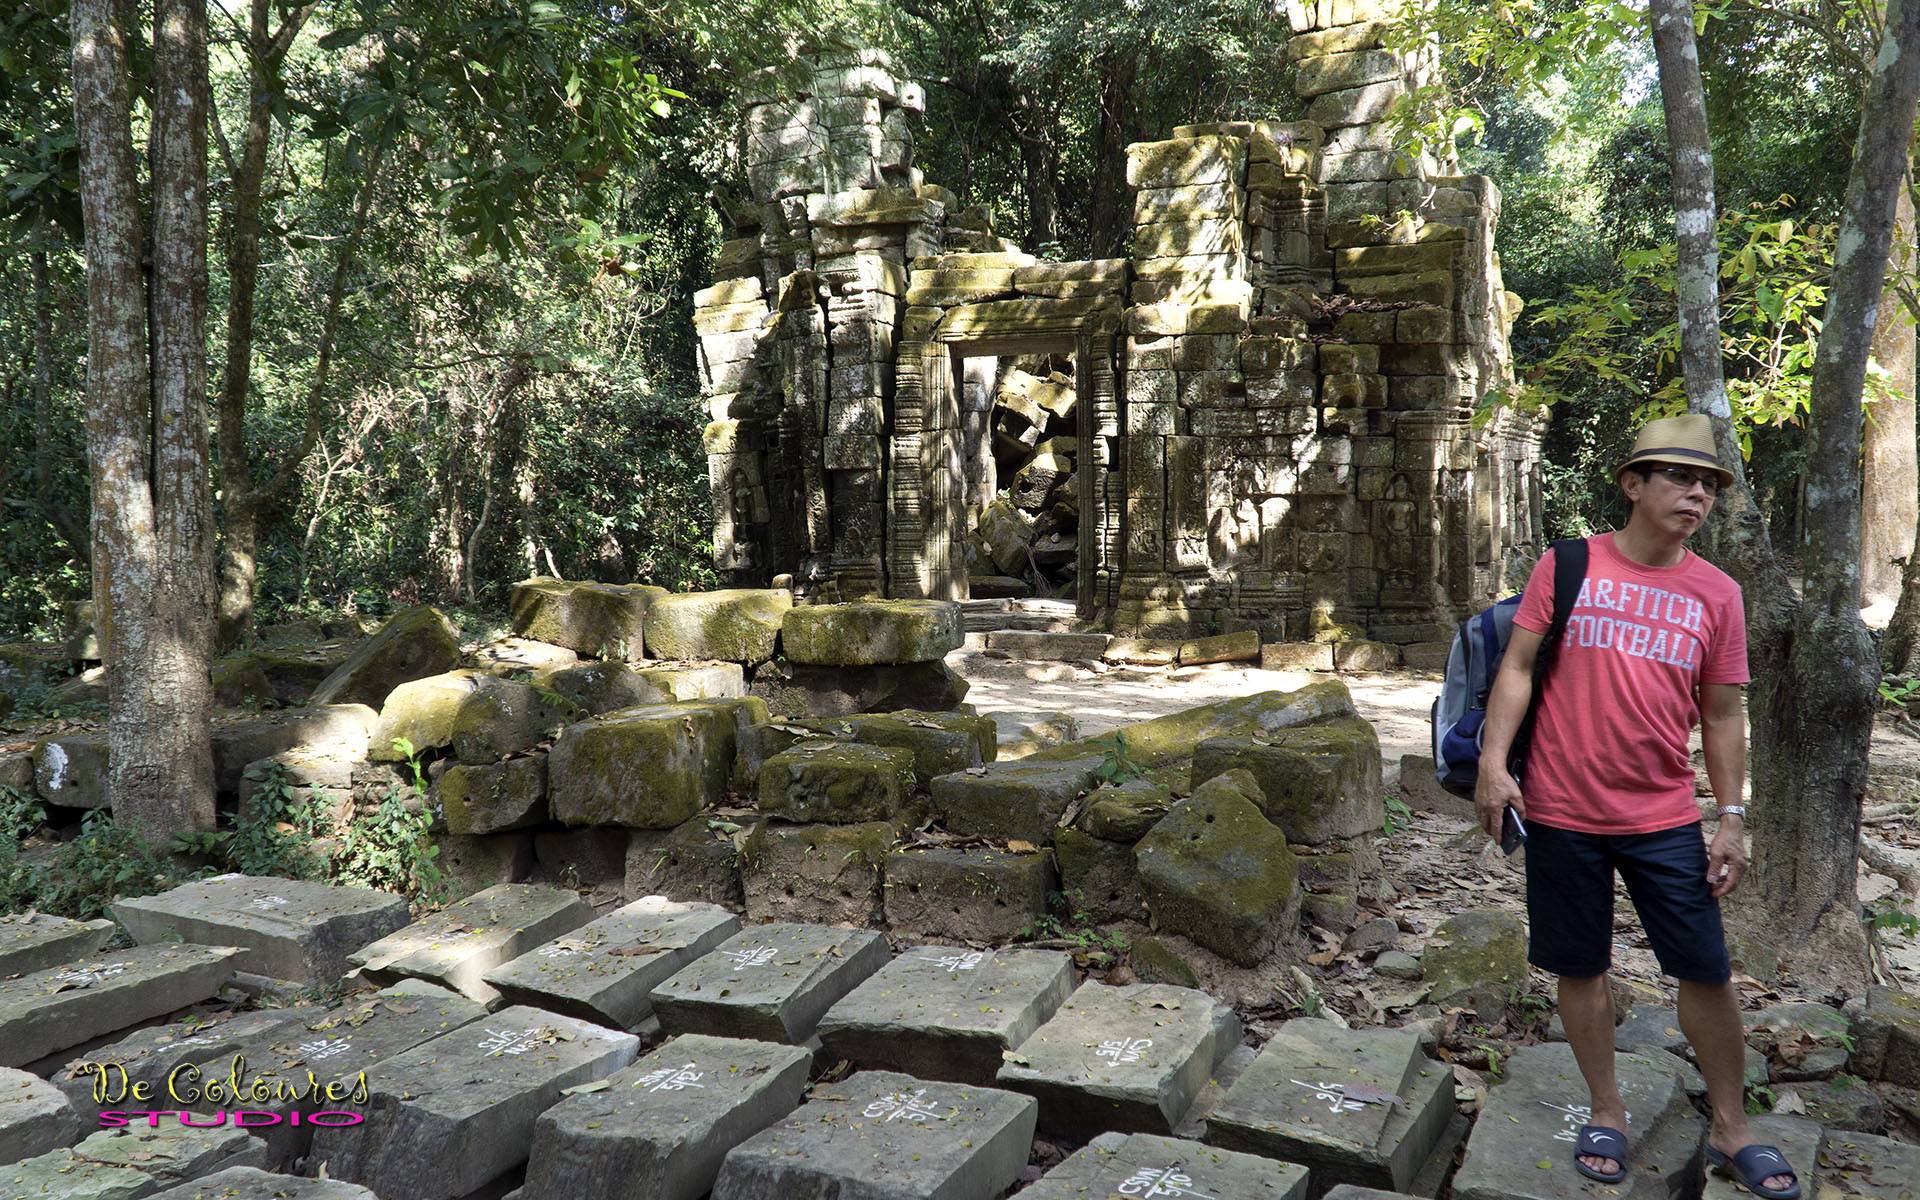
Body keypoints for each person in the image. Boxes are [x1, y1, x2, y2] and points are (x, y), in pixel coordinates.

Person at [1473, 414, 1799, 1200]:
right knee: (1581, 966)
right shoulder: (1571, 564)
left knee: (1706, 969)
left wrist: (1730, 816)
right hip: (1558, 807)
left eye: (1710, 485)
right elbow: (1516, 669)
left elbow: (1723, 715)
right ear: (1633, 485)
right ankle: (1608, 1110)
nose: (1698, 496)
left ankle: (1732, 1124)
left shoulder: (1717, 594)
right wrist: (1492, 764)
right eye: (1682, 480)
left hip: (1661, 817)